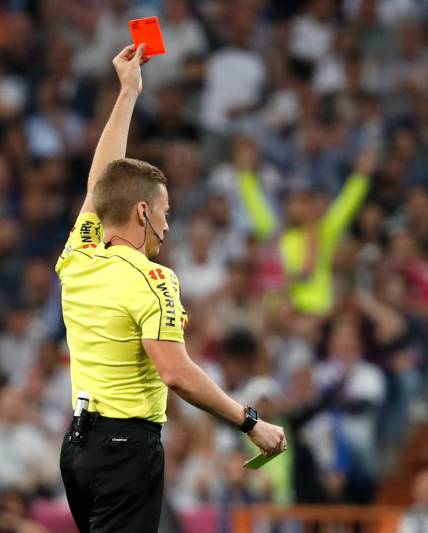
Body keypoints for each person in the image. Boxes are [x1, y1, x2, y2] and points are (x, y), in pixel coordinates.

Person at [56, 45, 285, 533]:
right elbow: (176, 374)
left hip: (78, 451)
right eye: (165, 211)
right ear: (142, 213)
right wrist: (251, 422)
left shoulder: (80, 253)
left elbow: (102, 181)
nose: (167, 222)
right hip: (126, 450)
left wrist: (128, 92)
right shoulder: (154, 278)